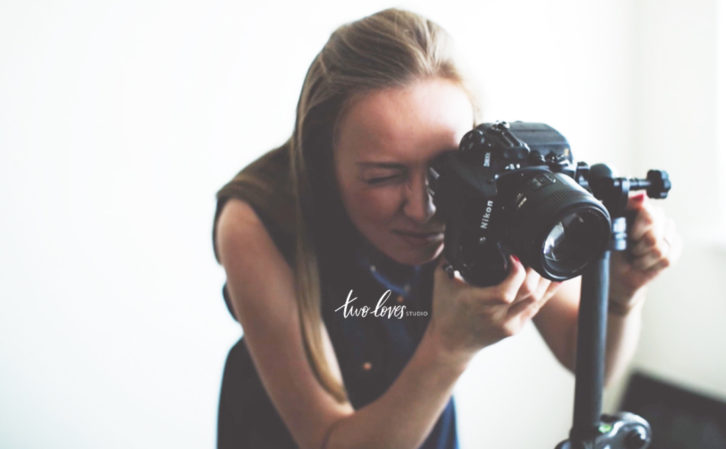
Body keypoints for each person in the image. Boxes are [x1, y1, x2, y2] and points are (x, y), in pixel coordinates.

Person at [211, 8, 680, 449]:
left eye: (444, 172)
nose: (423, 209)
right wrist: (451, 347)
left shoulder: (491, 184)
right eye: (383, 176)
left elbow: (588, 360)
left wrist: (620, 296)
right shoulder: (257, 221)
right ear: (323, 160)